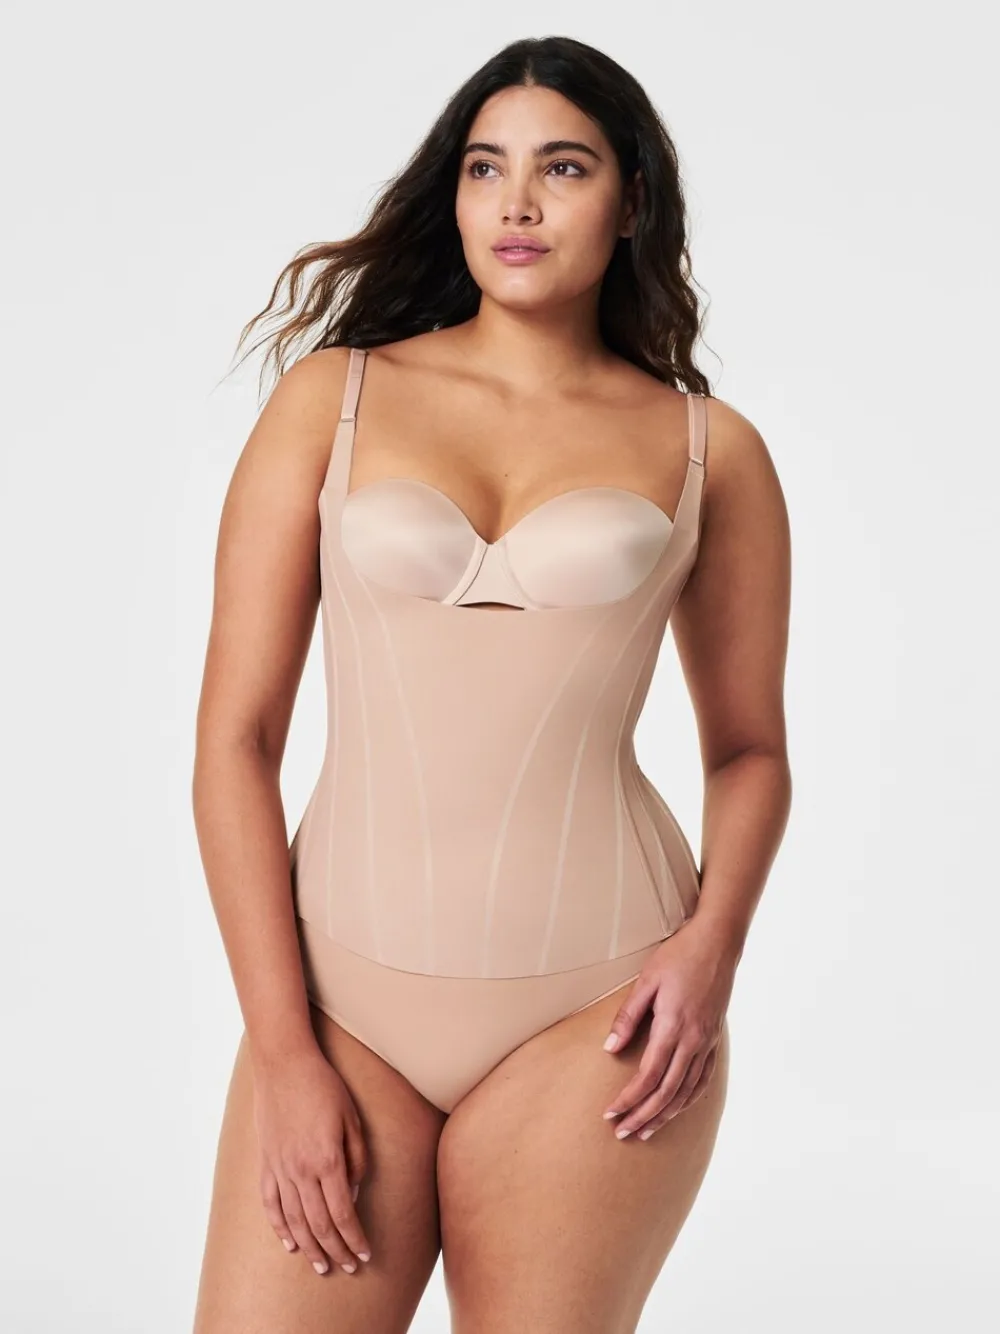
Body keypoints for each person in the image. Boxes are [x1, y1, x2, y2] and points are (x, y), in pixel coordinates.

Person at [190, 34, 792, 1334]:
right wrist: (283, 1052)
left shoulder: (711, 450)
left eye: (561, 167)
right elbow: (236, 739)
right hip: (340, 1011)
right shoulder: (334, 399)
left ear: (629, 202)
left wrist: (710, 954)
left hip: (600, 1014)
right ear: (453, 194)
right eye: (485, 167)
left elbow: (750, 748)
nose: (517, 202)